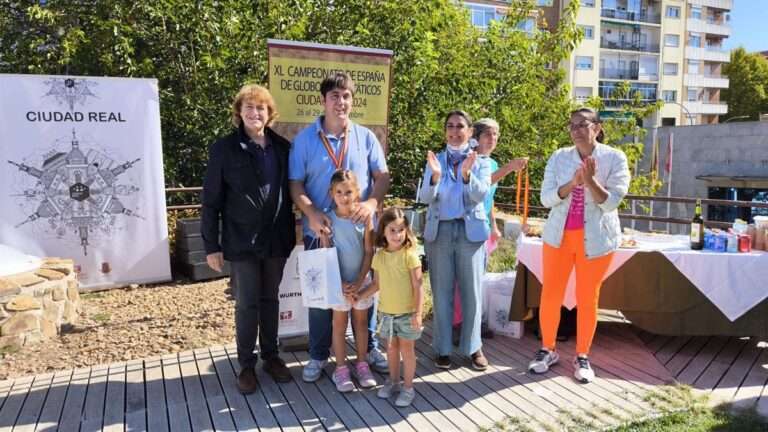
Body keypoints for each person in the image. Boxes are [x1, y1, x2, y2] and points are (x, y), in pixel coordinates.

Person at [289, 72, 391, 382]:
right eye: (334, 96)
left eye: (346, 96)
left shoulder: (365, 137)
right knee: (323, 299)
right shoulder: (305, 139)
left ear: (352, 100)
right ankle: (319, 356)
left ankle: (369, 350)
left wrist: (372, 204)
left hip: (360, 234)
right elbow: (295, 183)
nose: (341, 102)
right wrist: (311, 212)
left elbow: (382, 177)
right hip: (321, 234)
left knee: (363, 294)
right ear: (323, 101)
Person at [201, 84, 295, 394]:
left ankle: (271, 357)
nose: (255, 113)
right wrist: (211, 245)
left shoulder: (283, 147)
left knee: (270, 300)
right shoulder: (223, 149)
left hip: (276, 239)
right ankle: (245, 365)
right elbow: (211, 200)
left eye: (261, 108)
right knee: (246, 304)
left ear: (270, 114)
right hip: (241, 240)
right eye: (249, 107)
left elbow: (293, 189)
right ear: (239, 112)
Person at [527, 107, 630, 383]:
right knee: (550, 295)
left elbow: (611, 203)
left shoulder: (614, 157)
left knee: (587, 298)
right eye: (571, 125)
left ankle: (582, 356)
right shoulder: (559, 157)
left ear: (596, 127)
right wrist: (572, 184)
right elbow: (546, 199)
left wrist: (591, 181)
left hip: (596, 240)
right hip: (558, 238)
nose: (575, 130)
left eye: (582, 124)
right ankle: (547, 349)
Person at [419, 110, 492, 371]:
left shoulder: (480, 161)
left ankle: (473, 347)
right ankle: (442, 348)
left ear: (470, 132)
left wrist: (466, 175)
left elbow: (481, 194)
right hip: (440, 233)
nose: (454, 130)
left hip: (469, 233)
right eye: (450, 126)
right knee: (441, 292)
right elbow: (425, 197)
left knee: (472, 293)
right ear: (444, 131)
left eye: (460, 126)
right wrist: (436, 177)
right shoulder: (435, 160)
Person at [451, 118, 528, 343]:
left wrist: (493, 225)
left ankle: (472, 321)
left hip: (481, 227)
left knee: (477, 277)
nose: (493, 139)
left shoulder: (492, 163)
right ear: (476, 136)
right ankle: (457, 323)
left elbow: (488, 198)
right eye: (488, 134)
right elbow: (480, 187)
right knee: (460, 278)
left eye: (496, 135)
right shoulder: (468, 159)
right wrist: (509, 168)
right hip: (464, 226)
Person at [357, 208, 424, 407]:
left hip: (407, 313)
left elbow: (418, 285)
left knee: (407, 351)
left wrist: (418, 313)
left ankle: (408, 387)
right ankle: (393, 381)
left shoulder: (410, 255)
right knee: (391, 349)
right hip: (386, 314)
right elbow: (376, 284)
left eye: (401, 230)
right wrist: (359, 297)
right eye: (392, 230)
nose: (397, 235)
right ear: (383, 232)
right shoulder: (379, 257)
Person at [320, 170, 377, 392]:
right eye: (339, 192)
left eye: (349, 192)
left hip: (361, 282)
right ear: (331, 193)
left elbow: (369, 250)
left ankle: (362, 364)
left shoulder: (365, 218)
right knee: (339, 325)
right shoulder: (328, 219)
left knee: (361, 324)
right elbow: (327, 252)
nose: (344, 197)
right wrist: (341, 282)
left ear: (357, 192)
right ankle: (341, 368)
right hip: (338, 283)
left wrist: (360, 279)